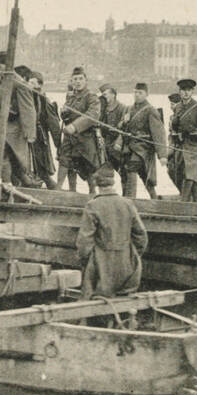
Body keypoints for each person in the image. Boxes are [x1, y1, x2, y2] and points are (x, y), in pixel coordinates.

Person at [75, 167, 148, 299]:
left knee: (94, 302)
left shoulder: (93, 205)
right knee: (125, 304)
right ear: (113, 183)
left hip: (102, 269)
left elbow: (84, 242)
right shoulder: (127, 204)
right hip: (127, 267)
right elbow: (141, 236)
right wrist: (134, 255)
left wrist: (86, 262)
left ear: (97, 184)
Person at [0, 52, 40, 187]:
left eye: (1, 67)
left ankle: (6, 184)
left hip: (14, 128)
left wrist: (30, 133)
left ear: (8, 66)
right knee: (8, 157)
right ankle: (26, 183)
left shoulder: (19, 84)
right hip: (1, 126)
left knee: (6, 156)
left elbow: (28, 109)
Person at [118, 82, 167, 199]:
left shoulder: (151, 110)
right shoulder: (128, 109)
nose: (137, 95)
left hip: (143, 148)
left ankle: (130, 199)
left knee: (132, 167)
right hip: (129, 147)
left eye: (140, 93)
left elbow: (159, 134)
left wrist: (162, 155)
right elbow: (120, 127)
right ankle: (154, 198)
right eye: (135, 92)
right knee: (143, 175)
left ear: (146, 94)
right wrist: (124, 122)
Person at [58, 67, 101, 193]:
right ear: (71, 81)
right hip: (69, 138)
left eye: (80, 79)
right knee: (65, 162)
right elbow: (67, 115)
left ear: (86, 80)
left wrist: (75, 126)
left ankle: (92, 194)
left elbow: (93, 115)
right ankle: (62, 190)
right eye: (75, 79)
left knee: (88, 166)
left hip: (85, 137)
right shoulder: (70, 96)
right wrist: (64, 114)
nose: (78, 81)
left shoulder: (91, 97)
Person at [27, 70, 62, 189]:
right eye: (28, 82)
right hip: (29, 134)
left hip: (40, 135)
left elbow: (54, 123)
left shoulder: (44, 99)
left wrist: (58, 144)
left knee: (41, 163)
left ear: (39, 85)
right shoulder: (28, 96)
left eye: (32, 82)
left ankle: (51, 187)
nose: (29, 85)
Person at [99, 83, 128, 188]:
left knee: (123, 173)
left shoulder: (122, 108)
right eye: (102, 94)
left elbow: (125, 127)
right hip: (105, 145)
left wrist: (118, 142)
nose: (103, 97)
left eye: (105, 94)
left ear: (113, 94)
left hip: (117, 146)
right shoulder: (102, 109)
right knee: (105, 174)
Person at [56, 83, 79, 191]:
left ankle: (72, 189)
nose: (69, 95)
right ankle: (61, 187)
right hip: (68, 136)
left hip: (79, 136)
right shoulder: (68, 101)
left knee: (74, 163)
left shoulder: (80, 101)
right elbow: (66, 119)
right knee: (65, 161)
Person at [166, 92, 183, 193]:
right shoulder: (172, 118)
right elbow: (171, 135)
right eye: (170, 104)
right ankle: (183, 192)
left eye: (173, 104)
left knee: (183, 174)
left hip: (182, 149)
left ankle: (186, 195)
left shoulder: (184, 116)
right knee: (171, 171)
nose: (171, 107)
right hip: (174, 148)